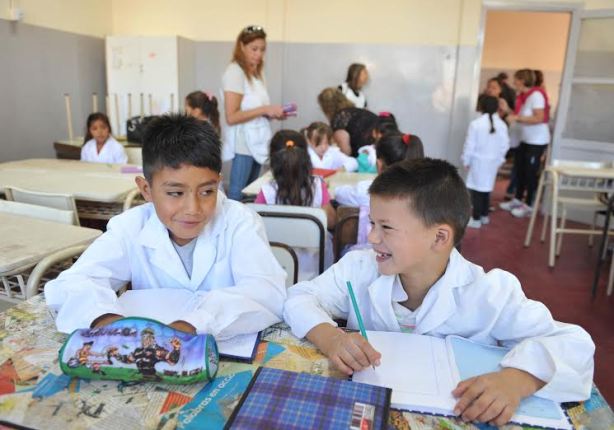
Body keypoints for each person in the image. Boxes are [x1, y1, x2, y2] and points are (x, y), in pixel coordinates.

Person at [283, 158, 594, 427]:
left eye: (386, 228)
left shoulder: (489, 292)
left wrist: (517, 380)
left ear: (439, 237)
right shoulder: (358, 268)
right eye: (373, 223)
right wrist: (330, 335)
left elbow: (573, 344)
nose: (372, 236)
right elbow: (298, 297)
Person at [45, 114, 287, 337]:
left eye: (207, 191)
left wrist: (194, 324)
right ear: (146, 190)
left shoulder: (240, 222)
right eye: (175, 192)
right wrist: (107, 321)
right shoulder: (130, 227)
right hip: (148, 350)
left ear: (219, 184)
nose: (193, 208)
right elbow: (72, 283)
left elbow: (267, 291)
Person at [255, 130, 335, 280]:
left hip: (277, 272)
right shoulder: (318, 185)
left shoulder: (266, 191)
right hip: (314, 273)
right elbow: (331, 221)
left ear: (272, 159)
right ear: (306, 157)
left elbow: (256, 225)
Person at [222, 25, 285, 201]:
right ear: (241, 46)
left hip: (257, 140)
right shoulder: (235, 72)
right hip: (243, 144)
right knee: (237, 194)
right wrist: (265, 109)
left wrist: (272, 113)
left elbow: (254, 109)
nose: (258, 54)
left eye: (262, 50)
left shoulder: (256, 73)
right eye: (254, 49)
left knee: (251, 193)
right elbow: (232, 116)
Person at [335, 132, 424, 250]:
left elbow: (338, 194)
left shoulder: (366, 190)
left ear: (379, 165)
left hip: (364, 259)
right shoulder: (425, 195)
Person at [500, 69, 551, 218]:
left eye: (516, 79)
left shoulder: (536, 95)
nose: (513, 82)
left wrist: (516, 118)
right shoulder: (523, 96)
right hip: (525, 139)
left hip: (536, 141)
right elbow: (520, 116)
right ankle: (517, 199)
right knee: (520, 170)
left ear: (522, 80)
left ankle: (529, 205)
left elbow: (539, 118)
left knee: (530, 173)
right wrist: (507, 110)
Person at [463, 95, 510, 229]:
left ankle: (476, 218)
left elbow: (469, 145)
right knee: (486, 189)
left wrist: (466, 160)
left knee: (477, 190)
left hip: (478, 162)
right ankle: (484, 216)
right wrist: (499, 160)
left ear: (481, 107)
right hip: (492, 163)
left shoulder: (476, 124)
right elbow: (505, 145)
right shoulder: (502, 125)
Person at [318, 87, 378, 157]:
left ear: (326, 107)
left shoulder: (339, 119)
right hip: (383, 149)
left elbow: (345, 152)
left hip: (368, 157)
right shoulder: (358, 111)